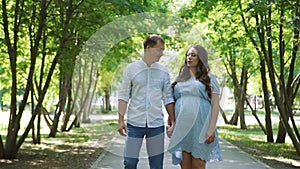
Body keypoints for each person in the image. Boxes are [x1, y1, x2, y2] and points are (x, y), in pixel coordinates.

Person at [118, 34, 175, 169]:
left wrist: (173, 120)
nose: (162, 53)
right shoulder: (131, 69)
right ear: (149, 48)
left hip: (156, 124)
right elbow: (124, 95)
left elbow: (168, 97)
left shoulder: (163, 71)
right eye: (159, 49)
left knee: (156, 165)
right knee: (129, 163)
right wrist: (120, 120)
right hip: (134, 123)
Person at [167, 45, 222, 169]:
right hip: (182, 126)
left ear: (201, 58)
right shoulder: (179, 79)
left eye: (193, 55)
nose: (189, 57)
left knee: (198, 165)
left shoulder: (210, 78)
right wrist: (171, 124)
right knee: (185, 165)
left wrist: (211, 128)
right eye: (188, 55)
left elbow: (215, 105)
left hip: (201, 125)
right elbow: (173, 102)